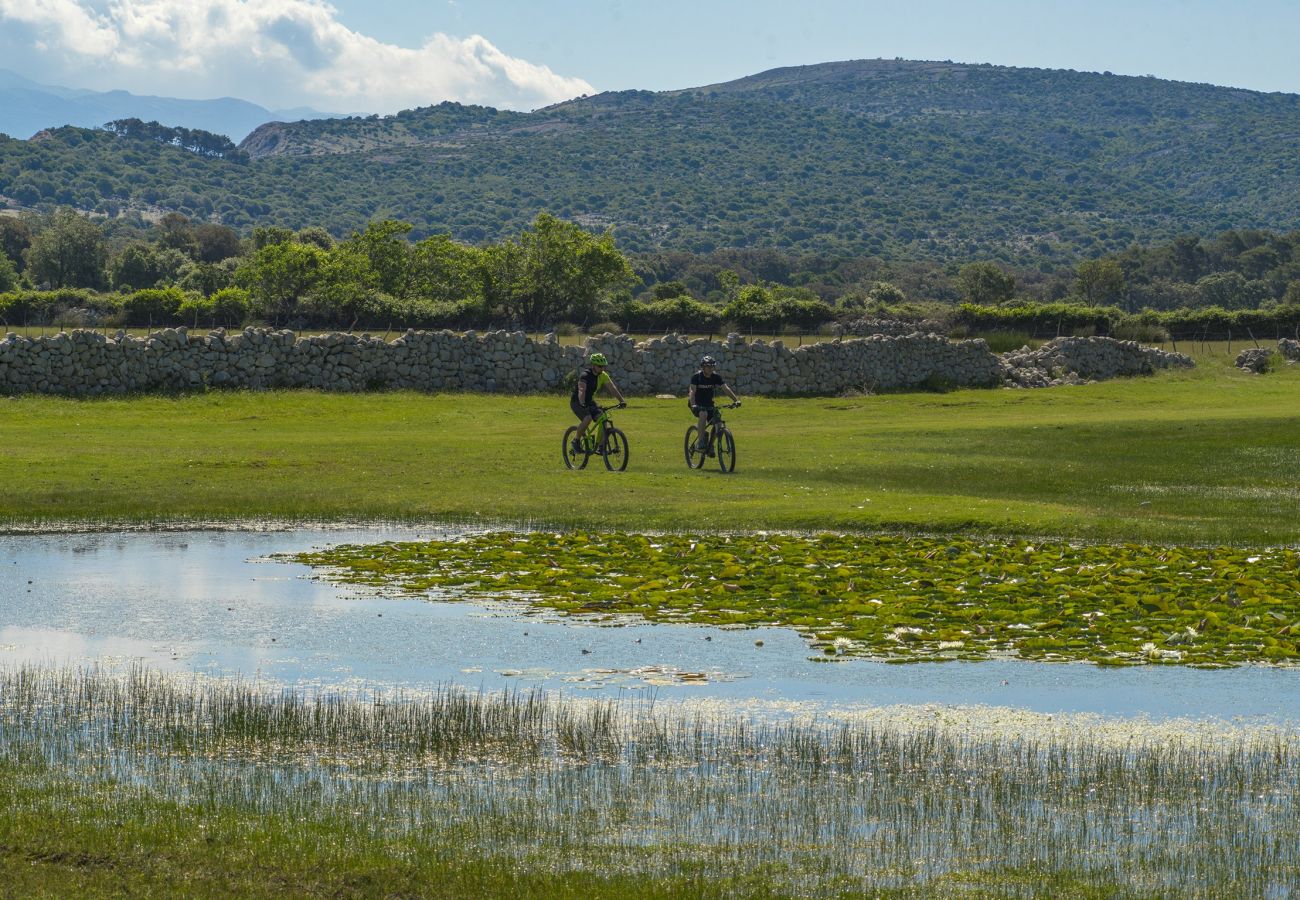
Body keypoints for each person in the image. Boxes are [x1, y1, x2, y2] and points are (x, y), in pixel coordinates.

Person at [570, 352, 626, 451]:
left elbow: (612, 388)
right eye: (600, 366)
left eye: (603, 366)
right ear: (593, 365)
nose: (602, 368)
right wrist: (582, 403)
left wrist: (622, 401)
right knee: (588, 418)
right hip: (577, 401)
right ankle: (576, 440)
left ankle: (601, 445)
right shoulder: (585, 375)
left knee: (603, 418)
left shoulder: (603, 375)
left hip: (589, 401)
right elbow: (582, 390)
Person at [687, 355, 739, 452]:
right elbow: (692, 392)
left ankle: (710, 445)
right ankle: (701, 441)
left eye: (712, 366)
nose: (711, 368)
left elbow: (726, 388)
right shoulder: (696, 377)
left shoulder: (716, 377)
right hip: (696, 404)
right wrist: (693, 404)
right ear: (703, 367)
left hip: (709, 405)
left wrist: (736, 400)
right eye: (708, 366)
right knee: (703, 414)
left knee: (718, 422)